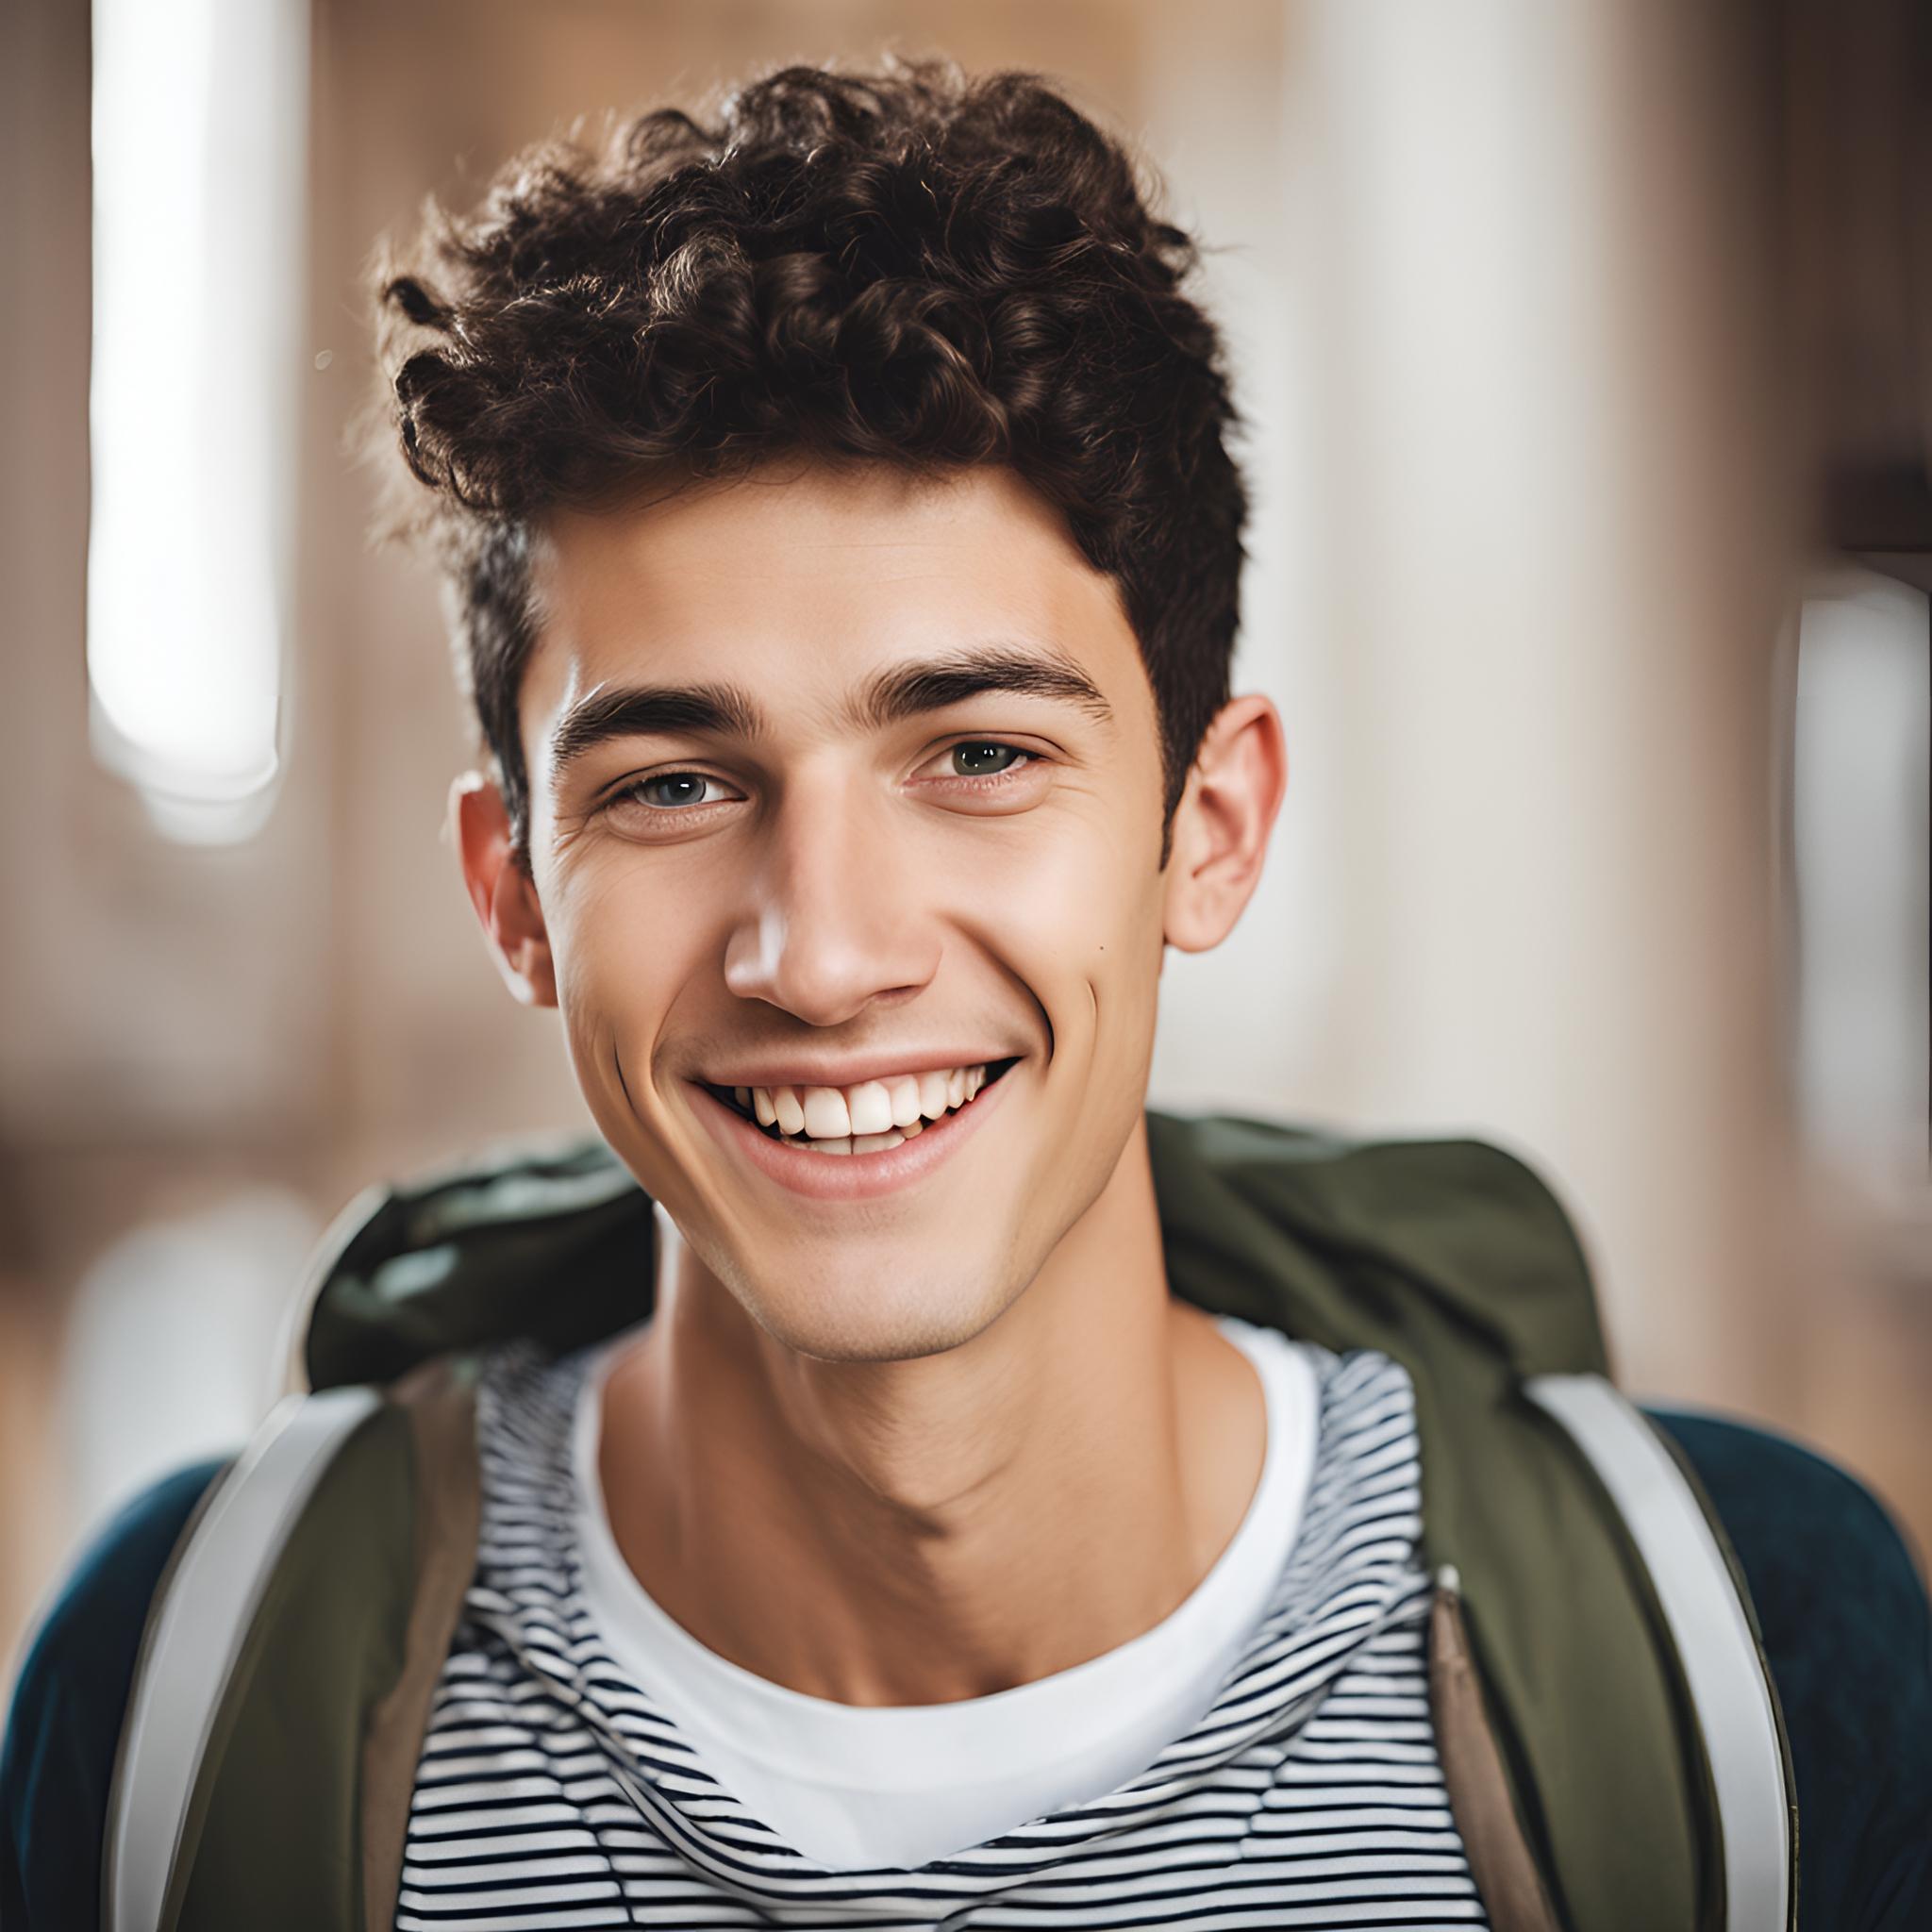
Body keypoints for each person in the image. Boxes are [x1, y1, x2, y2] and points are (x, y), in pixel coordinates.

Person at [5, 58, 1928, 1932]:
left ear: (1212, 826)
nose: (825, 954)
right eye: (674, 784)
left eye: (980, 754)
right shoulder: (176, 1687)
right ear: (515, 894)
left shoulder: (1761, 1653)